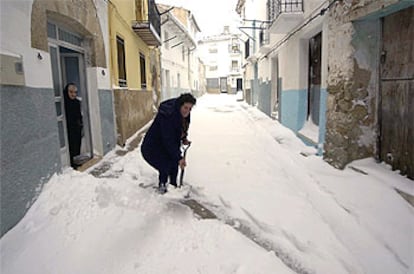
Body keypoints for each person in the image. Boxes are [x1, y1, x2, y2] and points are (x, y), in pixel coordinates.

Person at [141, 93, 196, 193]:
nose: (187, 111)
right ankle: (163, 188)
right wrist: (179, 158)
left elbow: (182, 128)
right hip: (152, 147)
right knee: (165, 165)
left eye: (190, 109)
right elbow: (168, 139)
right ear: (180, 105)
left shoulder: (183, 113)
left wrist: (183, 138)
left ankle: (173, 186)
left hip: (165, 144)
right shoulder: (168, 115)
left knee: (173, 164)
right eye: (185, 107)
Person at [63, 83, 83, 169]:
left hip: (76, 128)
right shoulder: (64, 103)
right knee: (71, 146)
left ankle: (76, 161)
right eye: (71, 92)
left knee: (77, 145)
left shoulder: (77, 102)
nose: (73, 94)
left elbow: (79, 115)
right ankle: (71, 163)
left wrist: (80, 125)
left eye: (75, 92)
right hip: (68, 128)